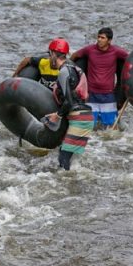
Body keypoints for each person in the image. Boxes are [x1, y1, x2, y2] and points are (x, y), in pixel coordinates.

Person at [42, 38, 93, 171]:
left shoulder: (64, 71)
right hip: (83, 117)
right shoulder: (73, 68)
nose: (48, 58)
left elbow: (69, 101)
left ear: (54, 54)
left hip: (79, 119)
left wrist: (57, 115)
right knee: (65, 156)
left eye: (49, 54)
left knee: (63, 158)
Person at [71, 27, 129, 129]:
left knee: (111, 127)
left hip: (108, 95)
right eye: (98, 37)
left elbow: (131, 59)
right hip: (91, 94)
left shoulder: (116, 51)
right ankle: (94, 145)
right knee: (89, 126)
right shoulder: (89, 50)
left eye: (102, 38)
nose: (99, 40)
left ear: (109, 40)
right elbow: (74, 56)